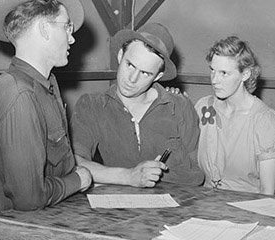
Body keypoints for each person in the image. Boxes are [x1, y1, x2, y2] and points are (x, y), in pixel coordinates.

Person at [0, 0, 94, 216]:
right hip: (17, 231)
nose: (71, 38)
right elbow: (29, 197)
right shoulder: (19, 94)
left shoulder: (45, 84)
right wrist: (79, 180)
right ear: (43, 29)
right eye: (66, 26)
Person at [71, 22, 202, 187]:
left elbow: (197, 174)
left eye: (145, 73)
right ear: (120, 55)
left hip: (174, 208)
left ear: (157, 76)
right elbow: (75, 162)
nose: (132, 79)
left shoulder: (180, 107)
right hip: (118, 208)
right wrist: (128, 176)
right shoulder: (91, 106)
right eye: (130, 65)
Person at [194, 35, 275, 195]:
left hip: (248, 210)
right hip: (205, 206)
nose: (215, 80)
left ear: (245, 75)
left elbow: (268, 191)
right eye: (212, 70)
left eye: (224, 73)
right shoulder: (203, 107)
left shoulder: (265, 120)